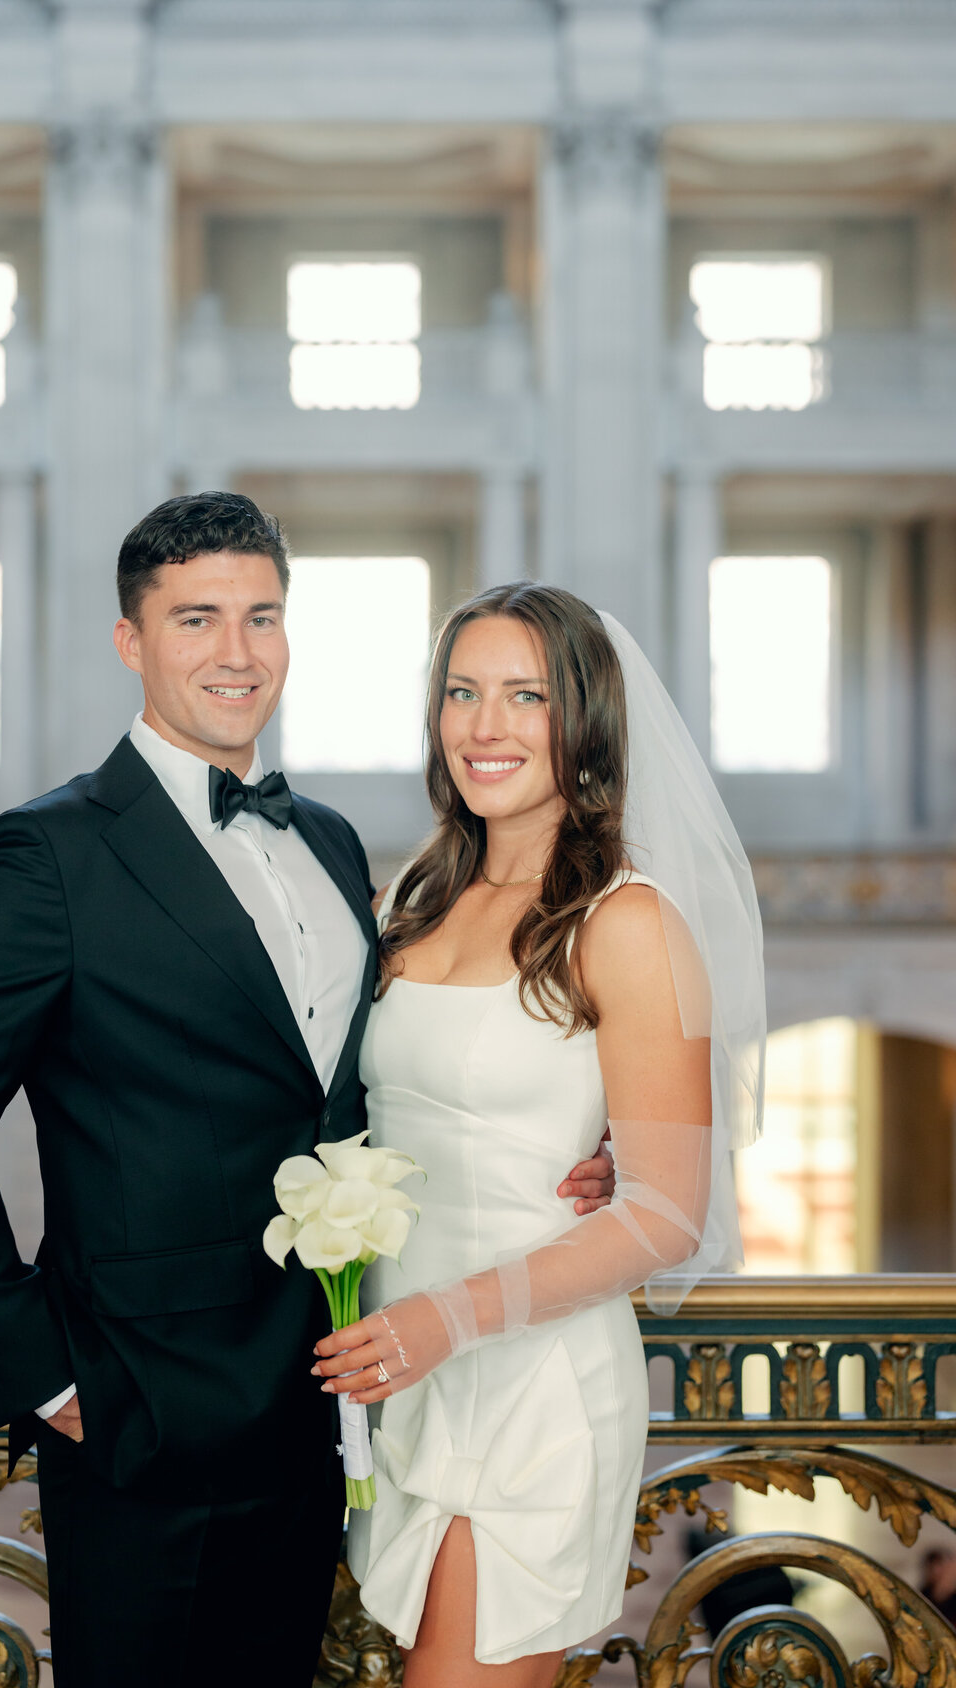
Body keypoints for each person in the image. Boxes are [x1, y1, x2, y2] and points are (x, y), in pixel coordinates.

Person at [0, 496, 617, 1688]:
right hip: (140, 1420)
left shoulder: (327, 839)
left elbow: (375, 1084)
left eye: (262, 617)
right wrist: (49, 1380)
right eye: (196, 617)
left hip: (326, 1404)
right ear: (131, 642)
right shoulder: (41, 856)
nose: (236, 651)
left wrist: (584, 1132)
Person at [313, 582, 766, 1688]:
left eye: (525, 696)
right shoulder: (411, 897)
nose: (484, 725)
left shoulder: (631, 920)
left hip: (532, 1376)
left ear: (587, 720)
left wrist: (443, 1320)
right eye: (462, 692)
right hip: (401, 1375)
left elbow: (665, 1211)